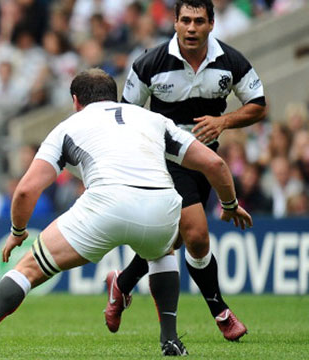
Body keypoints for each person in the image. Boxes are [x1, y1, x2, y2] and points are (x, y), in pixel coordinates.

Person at [0, 68, 253, 357]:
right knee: (163, 251)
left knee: (29, 267)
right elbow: (214, 163)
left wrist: (18, 232)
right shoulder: (153, 119)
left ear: (76, 101)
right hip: (161, 203)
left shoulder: (70, 125)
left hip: (105, 203)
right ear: (113, 96)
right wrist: (229, 204)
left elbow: (27, 189)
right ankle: (169, 340)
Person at [112, 0, 266, 342]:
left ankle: (121, 283)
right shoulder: (149, 63)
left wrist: (224, 121)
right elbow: (124, 116)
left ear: (212, 24)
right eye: (185, 20)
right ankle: (220, 311)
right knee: (196, 234)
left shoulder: (231, 62)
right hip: (165, 160)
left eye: (199, 21)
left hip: (205, 161)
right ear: (175, 22)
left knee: (174, 239)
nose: (192, 28)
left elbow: (258, 104)